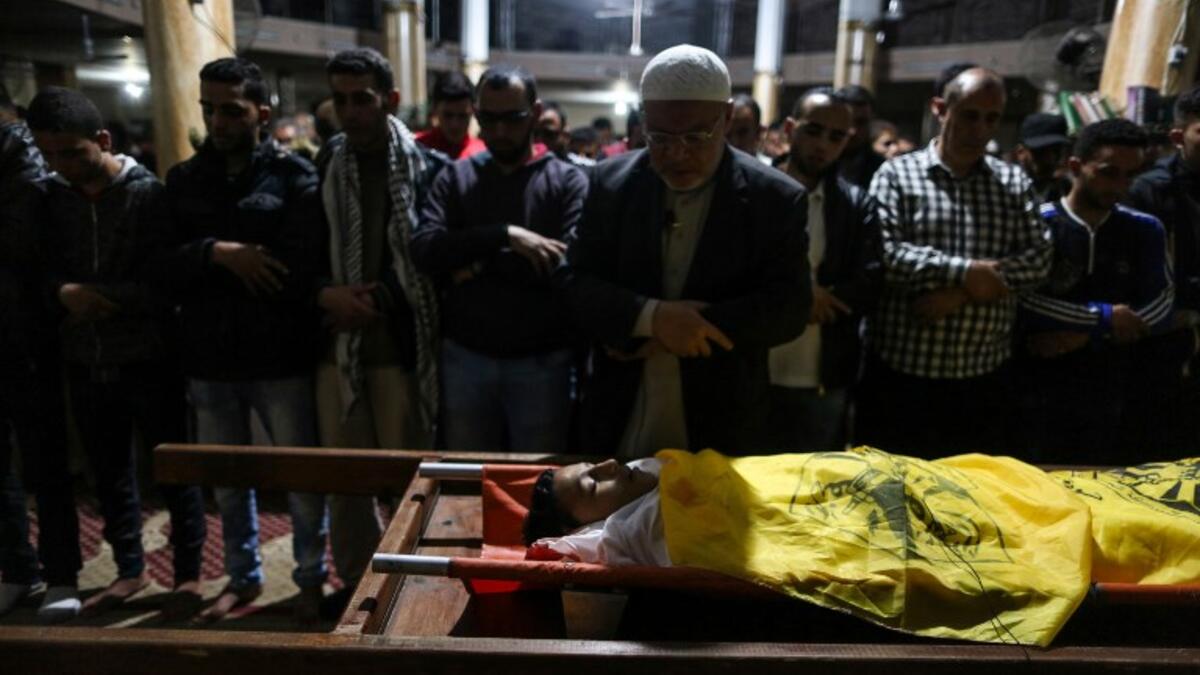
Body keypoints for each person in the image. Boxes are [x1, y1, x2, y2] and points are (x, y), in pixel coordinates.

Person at [555, 44, 810, 458]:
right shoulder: (611, 182)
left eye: (696, 136)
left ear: (726, 119)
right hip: (620, 407)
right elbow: (572, 282)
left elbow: (788, 307)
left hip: (722, 416)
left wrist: (684, 329)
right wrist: (653, 319)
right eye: (661, 137)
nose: (678, 154)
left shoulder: (774, 198)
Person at [157, 57, 329, 624]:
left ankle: (309, 577)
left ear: (262, 111)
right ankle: (241, 577)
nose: (217, 121)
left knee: (301, 477)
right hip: (210, 356)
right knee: (227, 482)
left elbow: (299, 269)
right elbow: (163, 264)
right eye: (209, 109)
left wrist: (229, 263)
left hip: (279, 353)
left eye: (230, 110)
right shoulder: (185, 179)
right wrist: (220, 253)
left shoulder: (293, 176)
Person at [27, 87, 208, 619]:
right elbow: (39, 275)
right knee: (108, 475)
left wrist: (103, 299)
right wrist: (64, 294)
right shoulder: (49, 198)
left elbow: (165, 278)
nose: (61, 165)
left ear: (102, 141)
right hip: (86, 357)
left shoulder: (147, 194)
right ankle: (130, 570)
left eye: (72, 153)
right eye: (50, 155)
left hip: (150, 356)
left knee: (173, 471)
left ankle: (189, 574)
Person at [856, 65, 1053, 458]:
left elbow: (1039, 260)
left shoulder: (1013, 184)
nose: (980, 127)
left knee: (967, 502)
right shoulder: (896, 176)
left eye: (992, 118)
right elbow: (886, 255)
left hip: (982, 380)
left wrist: (963, 292)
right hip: (901, 378)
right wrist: (965, 271)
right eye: (969, 114)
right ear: (940, 108)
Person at [314, 47, 446, 601]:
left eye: (362, 99)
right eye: (341, 100)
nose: (350, 112)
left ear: (389, 100)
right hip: (337, 346)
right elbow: (306, 246)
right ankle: (351, 584)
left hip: (398, 346)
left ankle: (405, 585)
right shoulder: (324, 163)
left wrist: (385, 299)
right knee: (343, 482)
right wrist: (326, 295)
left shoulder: (428, 166)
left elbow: (432, 255)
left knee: (404, 479)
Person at [413, 65, 588, 453]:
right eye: (489, 119)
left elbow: (566, 267)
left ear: (536, 113)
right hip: (466, 357)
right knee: (465, 485)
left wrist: (475, 264)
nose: (500, 131)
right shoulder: (455, 178)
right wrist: (506, 236)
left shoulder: (565, 180)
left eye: (513, 118)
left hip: (542, 360)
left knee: (536, 486)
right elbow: (425, 250)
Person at [1016, 119, 1173, 464]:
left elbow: (1161, 306)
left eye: (1130, 175)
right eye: (1108, 172)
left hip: (1113, 390)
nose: (1119, 185)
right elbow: (1019, 296)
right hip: (1035, 386)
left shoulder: (1144, 229)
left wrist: (1088, 334)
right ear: (1075, 167)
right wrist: (1103, 317)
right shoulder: (1036, 223)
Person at [0, 84, 82, 622]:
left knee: (44, 462)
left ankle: (59, 575)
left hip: (24, 332)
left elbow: (20, 244)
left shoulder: (21, 158)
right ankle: (17, 570)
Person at [769, 88, 882, 451]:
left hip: (824, 377)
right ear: (790, 129)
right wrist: (801, 294)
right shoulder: (752, 191)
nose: (823, 144)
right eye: (813, 131)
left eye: (836, 137)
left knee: (815, 493)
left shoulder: (854, 205)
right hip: (753, 372)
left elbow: (871, 280)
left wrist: (820, 299)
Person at [415, 71, 486, 159]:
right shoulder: (416, 148)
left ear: (473, 112)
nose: (454, 125)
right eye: (448, 115)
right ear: (435, 110)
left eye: (462, 116)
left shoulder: (482, 155)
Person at [834, 85, 884, 188]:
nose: (853, 131)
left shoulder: (882, 170)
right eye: (846, 121)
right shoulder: (814, 165)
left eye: (861, 122)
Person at [1014, 112, 1071, 204]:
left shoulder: (1065, 190)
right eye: (1041, 151)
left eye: (1056, 151)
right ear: (1020, 152)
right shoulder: (1008, 188)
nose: (1050, 159)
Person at [537, 101, 594, 168]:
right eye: (535, 133)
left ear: (565, 134)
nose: (538, 141)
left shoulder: (580, 170)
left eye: (548, 134)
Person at [727, 93, 768, 163]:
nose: (734, 141)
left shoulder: (771, 171)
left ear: (759, 133)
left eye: (742, 133)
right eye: (728, 134)